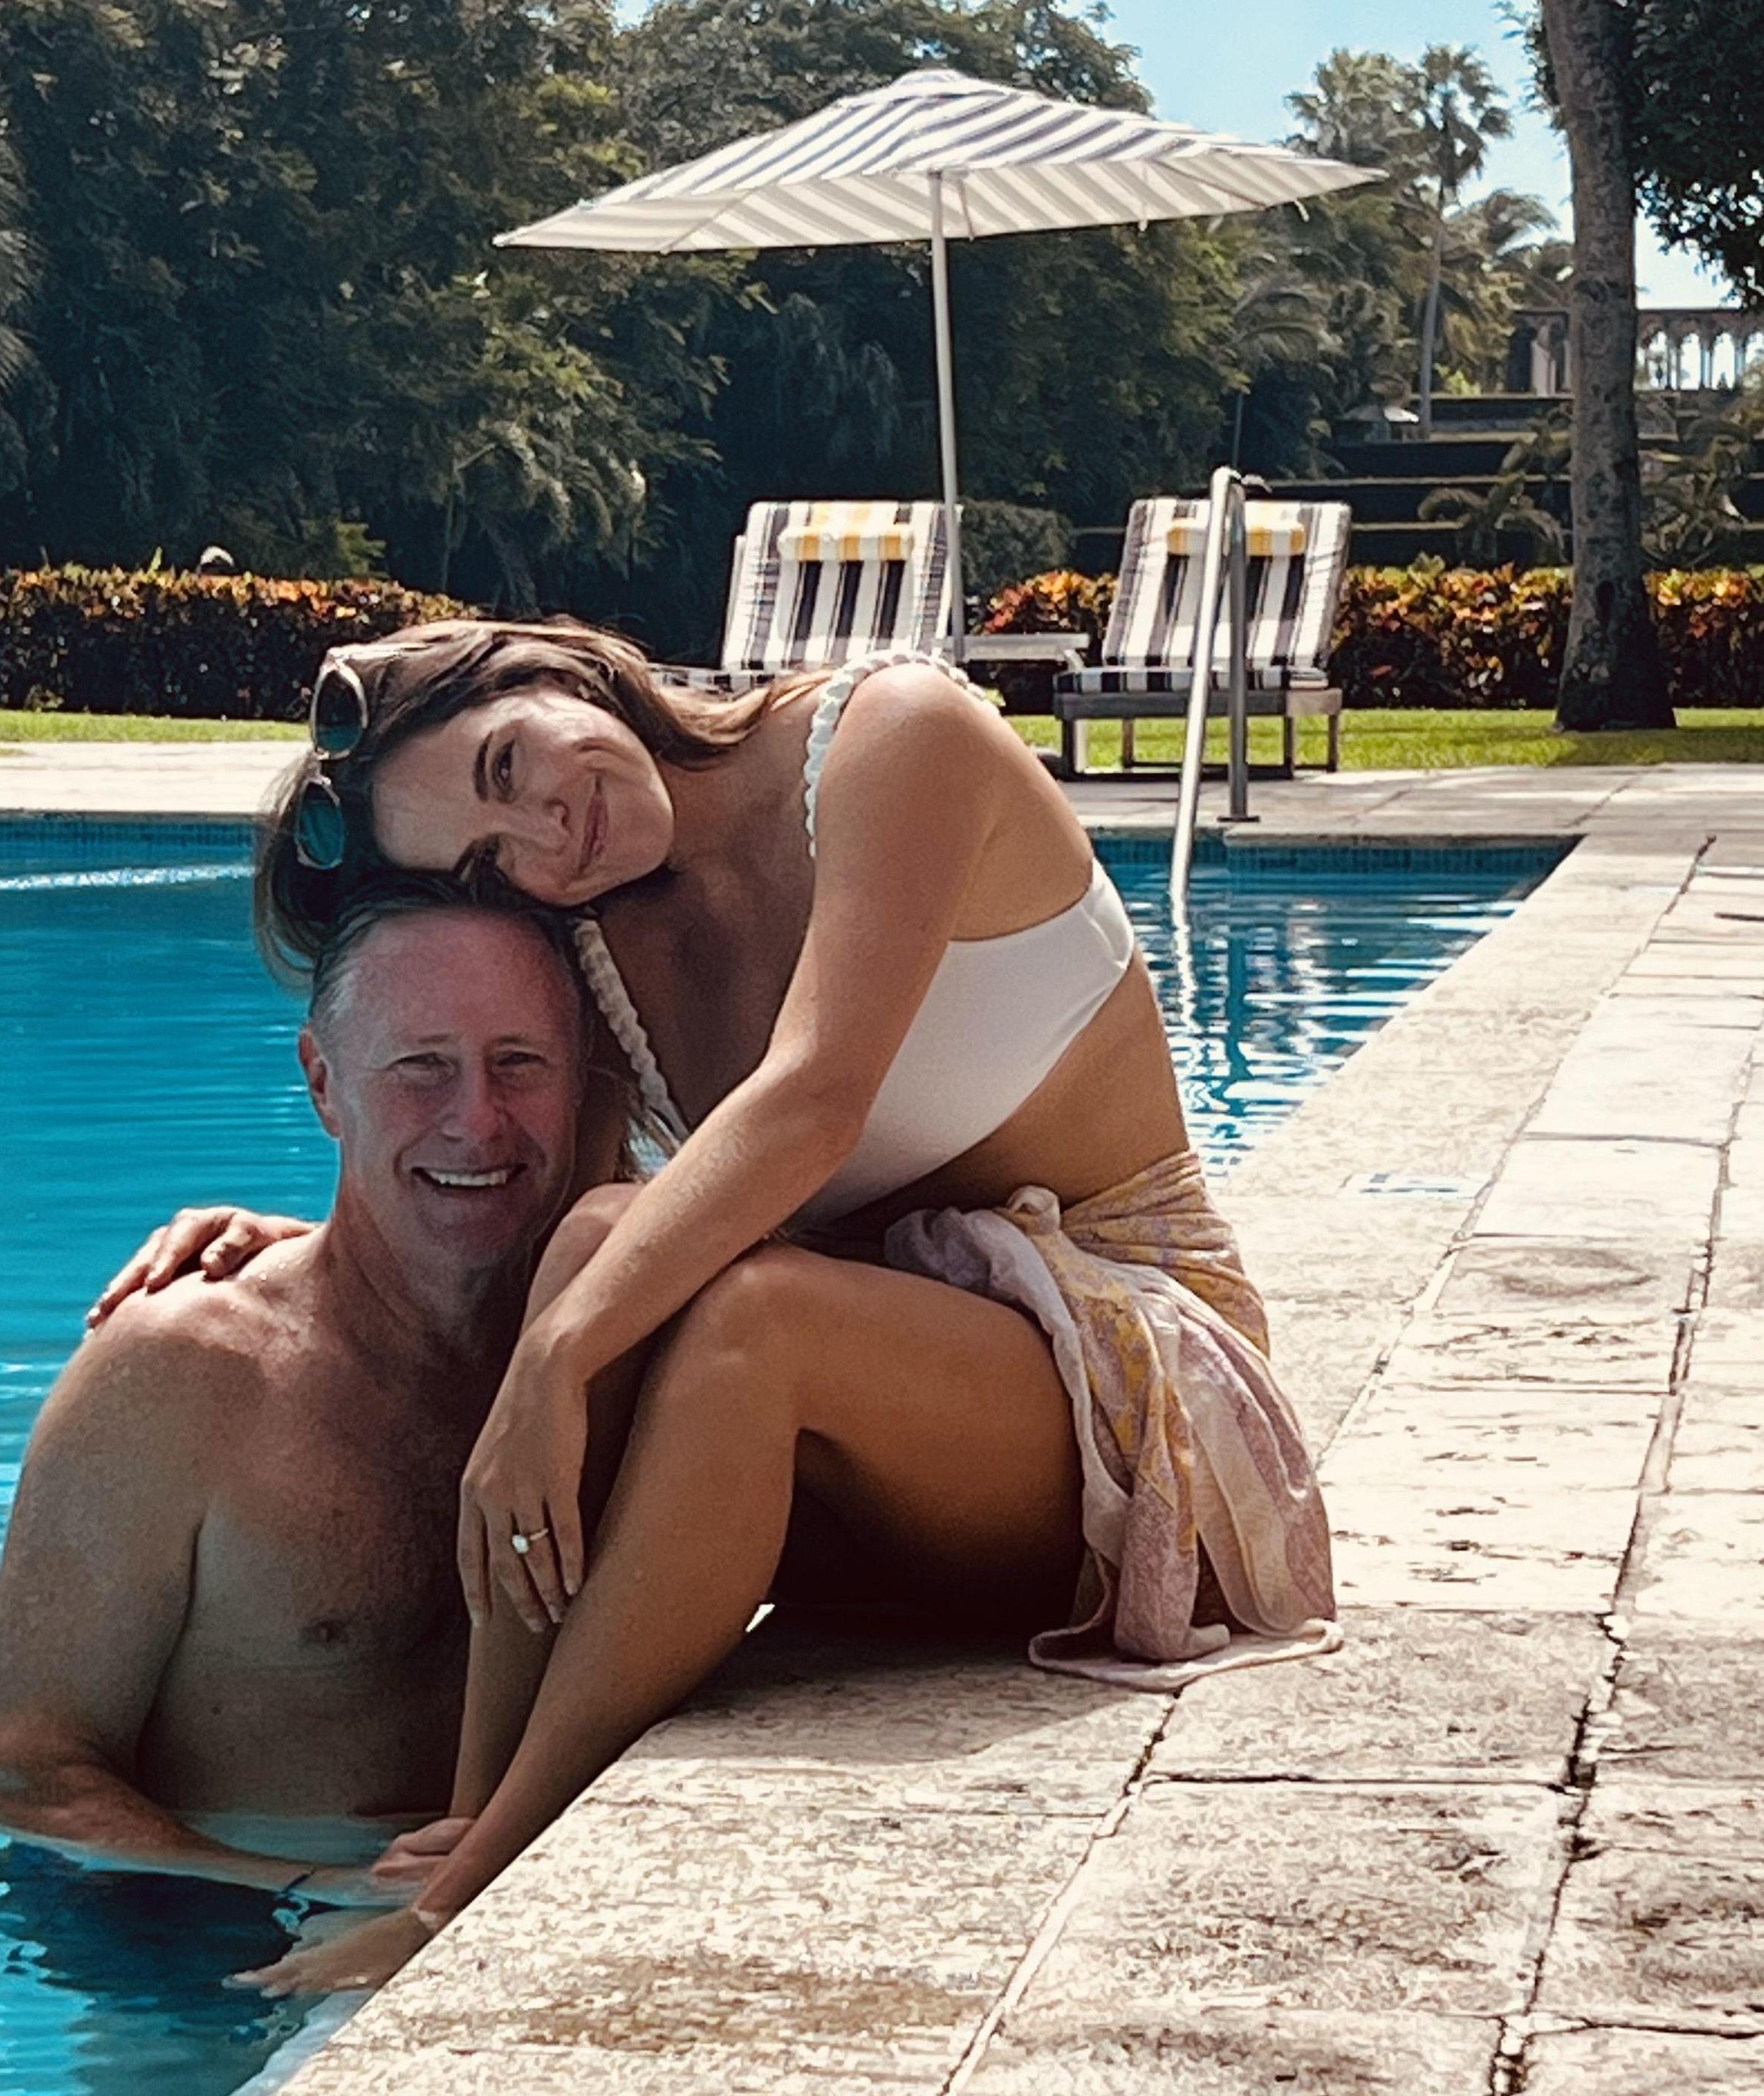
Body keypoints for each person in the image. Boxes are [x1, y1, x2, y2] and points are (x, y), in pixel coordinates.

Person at [203, 618, 1339, 1998]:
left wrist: (553, 1363)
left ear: (547, 669)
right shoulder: (599, 934)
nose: (547, 834)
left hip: (1133, 1399)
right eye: (491, 863)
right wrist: (314, 1250)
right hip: (885, 1462)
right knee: (601, 1241)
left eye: (509, 764)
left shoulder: (896, 737)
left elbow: (814, 1102)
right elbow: (551, 1212)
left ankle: (473, 1888)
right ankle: (469, 1806)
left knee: (751, 1320)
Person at [0, 877, 622, 1908]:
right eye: (421, 1067)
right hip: (201, 1936)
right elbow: (29, 1778)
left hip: (477, 1902)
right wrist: (324, 1894)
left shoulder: (606, 1340)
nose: (477, 1120)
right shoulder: (177, 1373)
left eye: (519, 1064)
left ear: (580, 1081)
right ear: (324, 1084)